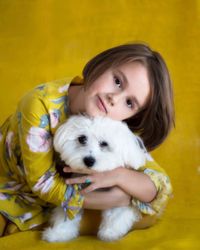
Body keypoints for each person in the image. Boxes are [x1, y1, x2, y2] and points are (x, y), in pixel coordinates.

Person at [0, 43, 174, 236]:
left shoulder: (112, 123)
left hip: (71, 190)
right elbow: (44, 184)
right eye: (117, 81)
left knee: (145, 212)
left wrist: (119, 176)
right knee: (134, 207)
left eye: (129, 102)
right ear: (101, 65)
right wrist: (122, 199)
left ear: (132, 115)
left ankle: (56, 219)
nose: (114, 99)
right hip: (17, 182)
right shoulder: (38, 104)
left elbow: (159, 185)